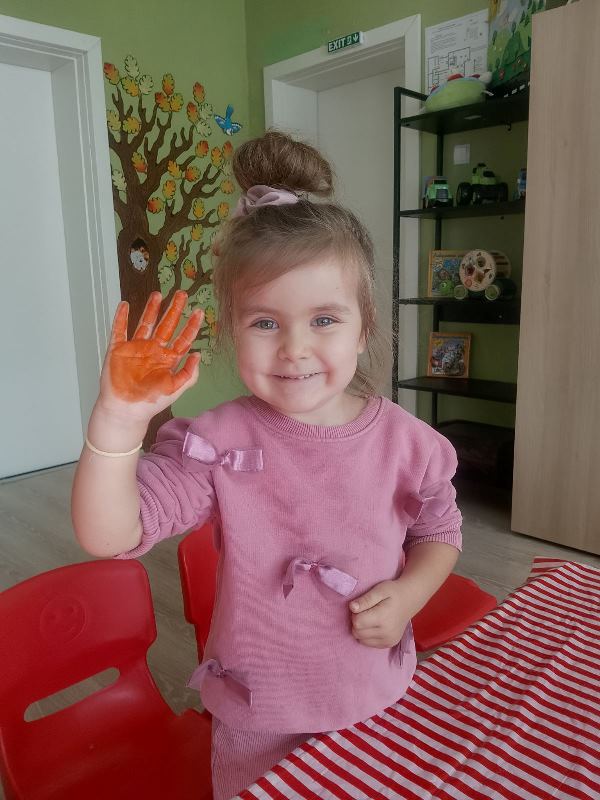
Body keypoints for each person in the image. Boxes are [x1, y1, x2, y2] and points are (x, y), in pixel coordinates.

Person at [72, 130, 462, 800]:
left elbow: (439, 533)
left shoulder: (412, 444)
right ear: (231, 327)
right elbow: (109, 535)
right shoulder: (215, 440)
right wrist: (118, 422)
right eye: (265, 323)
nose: (294, 348)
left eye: (324, 319)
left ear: (365, 325)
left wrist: (410, 595)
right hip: (258, 717)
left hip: (374, 694)